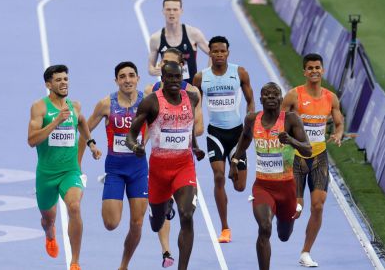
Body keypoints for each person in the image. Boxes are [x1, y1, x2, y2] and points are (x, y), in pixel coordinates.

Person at [126, 61, 205, 270]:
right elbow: (131, 135)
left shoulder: (193, 98)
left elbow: (188, 129)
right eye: (169, 77)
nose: (173, 81)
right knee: (156, 225)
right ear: (162, 79)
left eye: (177, 77)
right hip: (159, 171)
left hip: (184, 166)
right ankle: (161, 207)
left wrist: (195, 147)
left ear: (182, 78)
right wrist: (136, 147)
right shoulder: (152, 102)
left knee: (187, 215)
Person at [230, 82, 312, 270]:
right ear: (260, 100)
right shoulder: (252, 119)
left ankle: (289, 217)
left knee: (284, 235)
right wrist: (234, 162)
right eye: (266, 95)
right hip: (262, 187)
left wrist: (290, 140)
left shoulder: (291, 120)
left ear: (281, 99)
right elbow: (245, 138)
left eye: (275, 95)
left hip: (287, 188)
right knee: (265, 227)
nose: (271, 98)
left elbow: (307, 150)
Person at [27, 65, 102, 270]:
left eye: (66, 79)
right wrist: (56, 121)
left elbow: (82, 122)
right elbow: (32, 140)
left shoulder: (74, 106)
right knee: (48, 219)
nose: (64, 83)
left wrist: (91, 143)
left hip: (70, 171)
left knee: (75, 207)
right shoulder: (39, 108)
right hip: (46, 175)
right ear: (48, 84)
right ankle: (50, 233)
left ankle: (75, 262)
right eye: (58, 80)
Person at [77, 62, 147, 270]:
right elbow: (84, 129)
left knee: (137, 224)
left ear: (138, 79)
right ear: (116, 80)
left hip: (139, 170)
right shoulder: (106, 104)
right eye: (123, 76)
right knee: (111, 224)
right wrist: (78, 164)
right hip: (115, 170)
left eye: (131, 75)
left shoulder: (147, 103)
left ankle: (124, 265)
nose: (127, 80)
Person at [280, 53, 344, 267]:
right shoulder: (293, 96)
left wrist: (338, 134)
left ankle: (306, 252)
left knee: (318, 205)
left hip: (319, 157)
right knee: (296, 211)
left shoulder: (330, 98)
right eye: (310, 68)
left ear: (323, 70)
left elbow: (339, 122)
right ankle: (282, 216)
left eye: (318, 67)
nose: (315, 71)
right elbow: (279, 119)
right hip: (296, 157)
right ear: (304, 72)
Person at [193, 35, 255, 243]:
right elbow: (196, 106)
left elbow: (250, 101)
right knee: (218, 176)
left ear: (228, 53)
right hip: (215, 134)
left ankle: (235, 164)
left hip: (237, 134)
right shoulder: (201, 78)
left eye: (222, 51)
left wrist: (250, 122)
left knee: (239, 187)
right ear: (209, 53)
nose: (219, 54)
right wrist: (196, 129)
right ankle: (225, 228)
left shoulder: (239, 72)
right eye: (215, 51)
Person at [148, 0, 209, 84]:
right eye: (168, 9)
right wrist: (154, 71)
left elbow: (212, 52)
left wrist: (207, 76)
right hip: (168, 90)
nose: (171, 13)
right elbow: (150, 67)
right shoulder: (156, 38)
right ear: (163, 11)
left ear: (181, 11)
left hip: (191, 89)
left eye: (175, 9)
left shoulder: (193, 33)